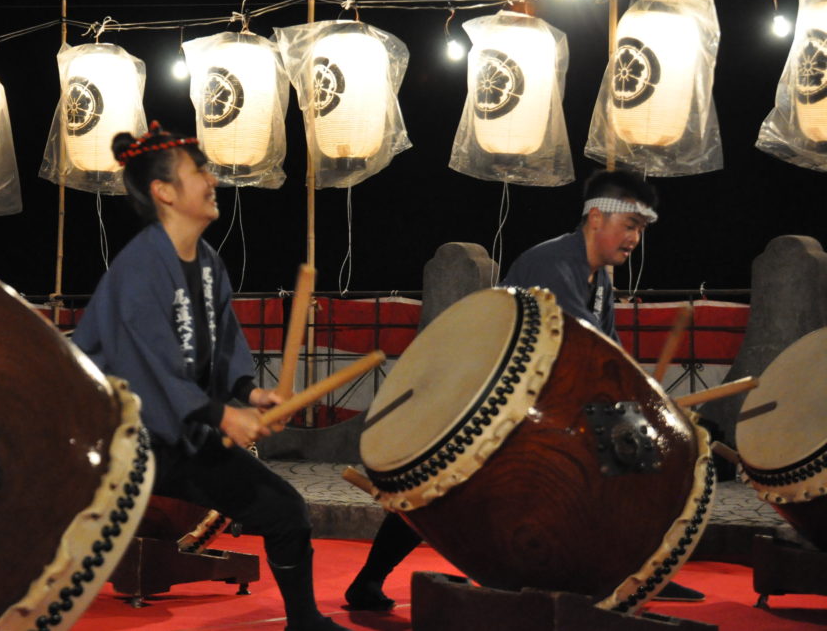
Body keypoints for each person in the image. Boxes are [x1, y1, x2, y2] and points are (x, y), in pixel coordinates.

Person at [344, 168, 704, 609]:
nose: (635, 239)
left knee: (640, 459)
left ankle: (642, 567)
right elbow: (576, 348)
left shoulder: (599, 278)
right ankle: (368, 580)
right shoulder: (552, 263)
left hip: (541, 396)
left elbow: (610, 354)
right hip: (495, 396)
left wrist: (647, 406)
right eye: (630, 226)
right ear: (596, 218)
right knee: (443, 487)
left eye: (641, 230)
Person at [72, 122, 350, 631]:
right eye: (199, 171)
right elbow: (144, 370)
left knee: (284, 509)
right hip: (115, 441)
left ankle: (305, 621)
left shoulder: (206, 263)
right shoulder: (138, 269)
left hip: (179, 435)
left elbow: (223, 348)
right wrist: (223, 417)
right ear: (164, 192)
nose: (212, 179)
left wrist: (250, 393)